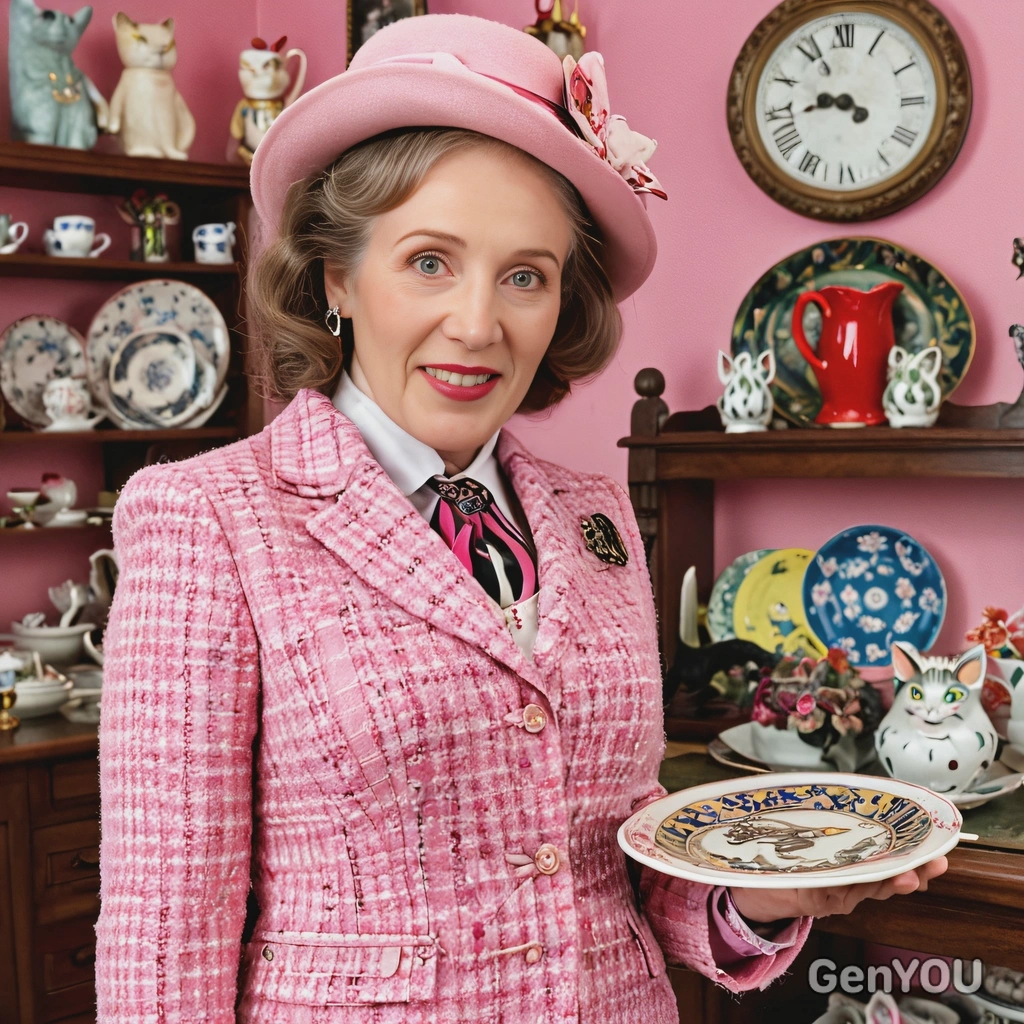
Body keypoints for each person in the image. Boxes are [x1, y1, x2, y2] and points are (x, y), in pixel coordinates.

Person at [93, 14, 948, 1024]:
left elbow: (617, 855)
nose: (476, 324)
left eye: (525, 276)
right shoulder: (207, 518)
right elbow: (165, 930)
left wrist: (764, 896)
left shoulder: (595, 515)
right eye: (428, 262)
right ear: (336, 275)